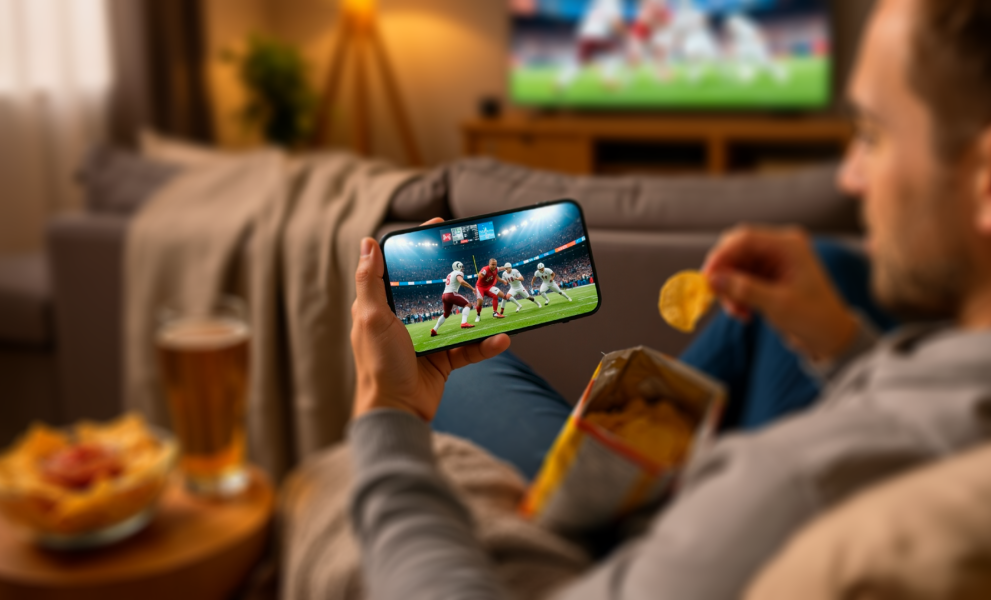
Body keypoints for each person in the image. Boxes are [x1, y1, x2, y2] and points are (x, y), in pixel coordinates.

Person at [348, 0, 991, 597]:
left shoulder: (787, 485)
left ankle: (590, 494)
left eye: (873, 135)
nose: (849, 177)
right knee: (825, 264)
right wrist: (841, 345)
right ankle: (609, 470)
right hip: (715, 513)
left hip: (658, 555)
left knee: (463, 375)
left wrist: (388, 411)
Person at [431, 261, 475, 337]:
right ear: (458, 266)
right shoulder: (458, 273)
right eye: (462, 266)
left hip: (444, 295)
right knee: (468, 304)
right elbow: (461, 282)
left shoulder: (450, 274)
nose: (463, 268)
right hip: (451, 294)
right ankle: (464, 322)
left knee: (446, 314)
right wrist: (472, 288)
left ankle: (434, 329)